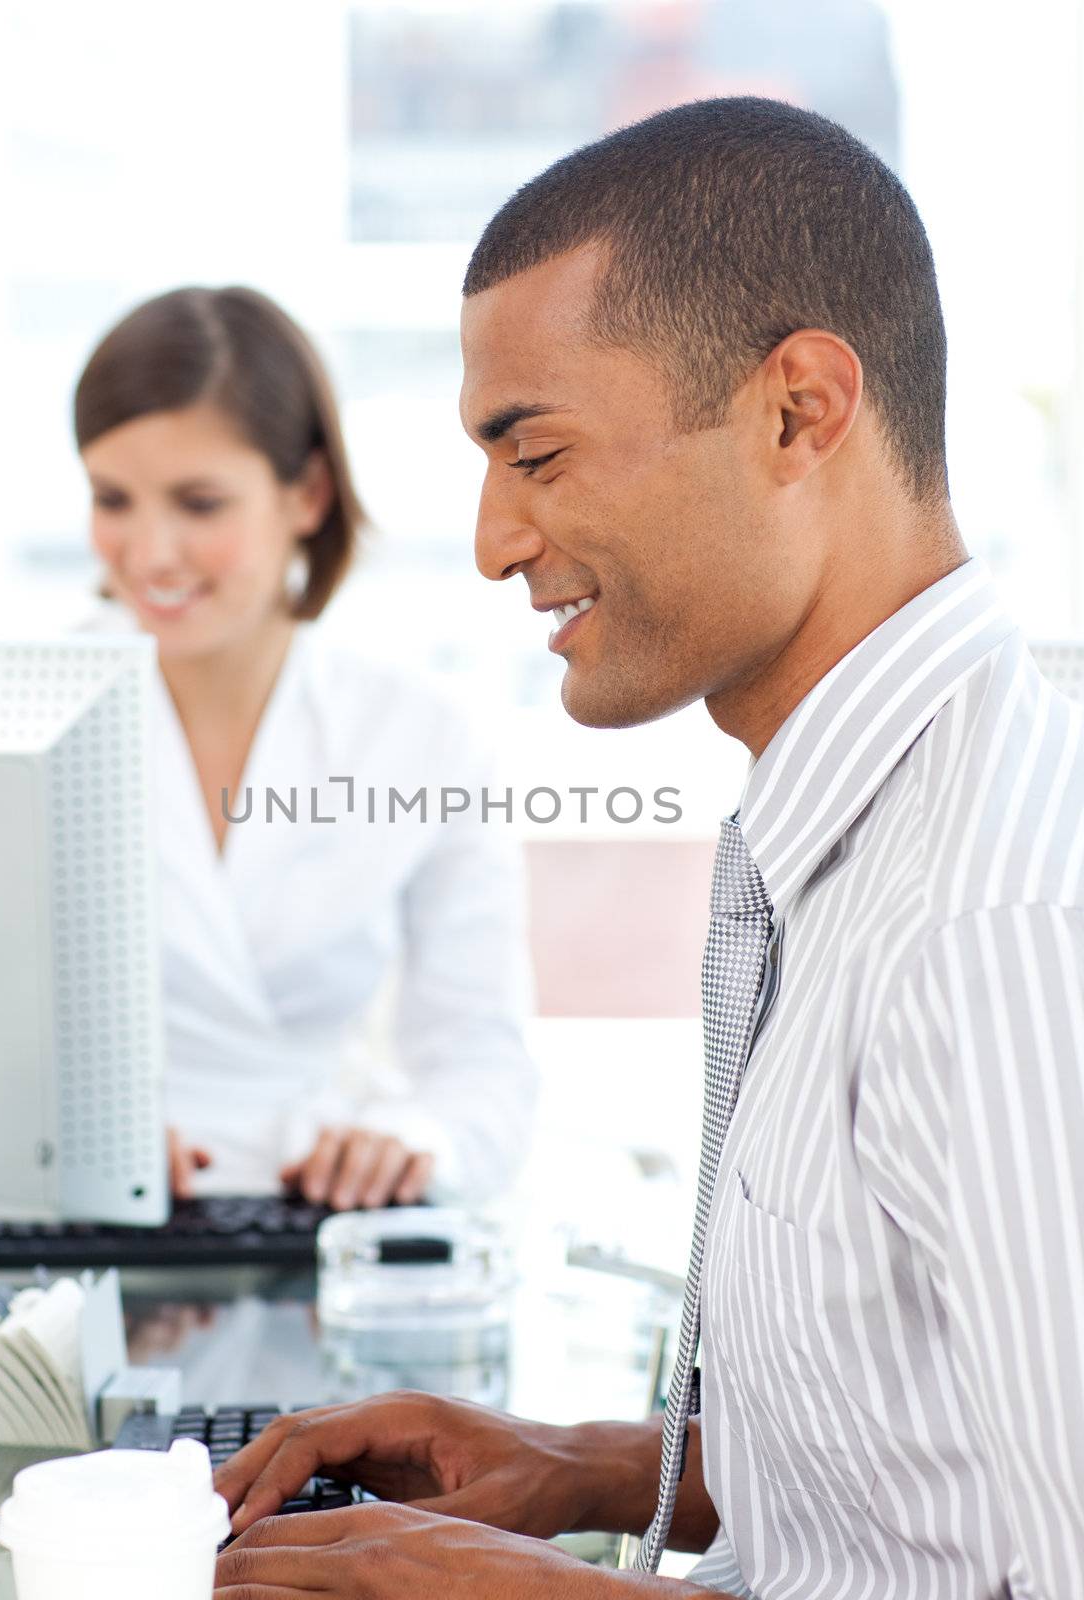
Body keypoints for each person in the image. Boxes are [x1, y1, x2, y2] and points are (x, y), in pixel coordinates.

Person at [209, 98, 1084, 1598]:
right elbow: (937, 1465)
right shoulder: (847, 821)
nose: (492, 540)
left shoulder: (995, 926)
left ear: (800, 411)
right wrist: (598, 1471)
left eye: (535, 454)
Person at [75, 286, 536, 1209]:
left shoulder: (418, 735)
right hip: (72, 1242)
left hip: (318, 1233)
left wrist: (408, 1142)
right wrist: (55, 1140)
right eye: (113, 499)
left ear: (308, 494)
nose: (151, 553)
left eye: (200, 504)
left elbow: (484, 1066)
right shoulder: (31, 715)